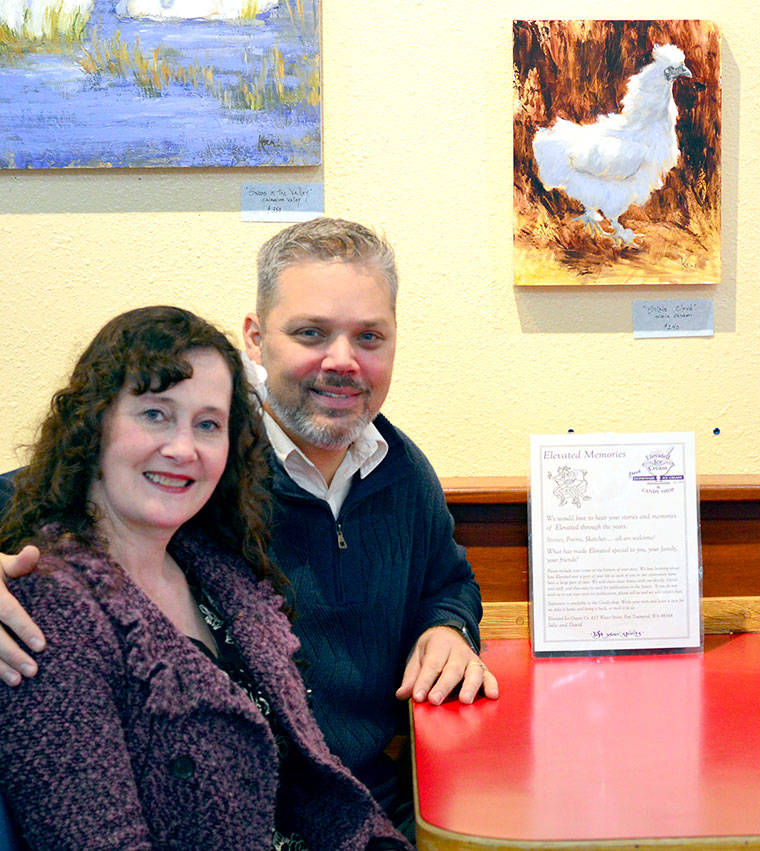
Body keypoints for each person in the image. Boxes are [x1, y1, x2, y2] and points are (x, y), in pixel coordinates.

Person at [0, 218, 498, 831]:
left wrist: (447, 628)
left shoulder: (400, 468)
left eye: (369, 337)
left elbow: (448, 580)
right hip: (244, 811)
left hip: (363, 802)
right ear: (256, 340)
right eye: (311, 333)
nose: (342, 361)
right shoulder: (199, 469)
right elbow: (48, 485)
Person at [0, 306, 410, 849]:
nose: (183, 449)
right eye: (154, 414)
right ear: (94, 423)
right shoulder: (49, 616)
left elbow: (316, 789)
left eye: (208, 425)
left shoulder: (217, 572)